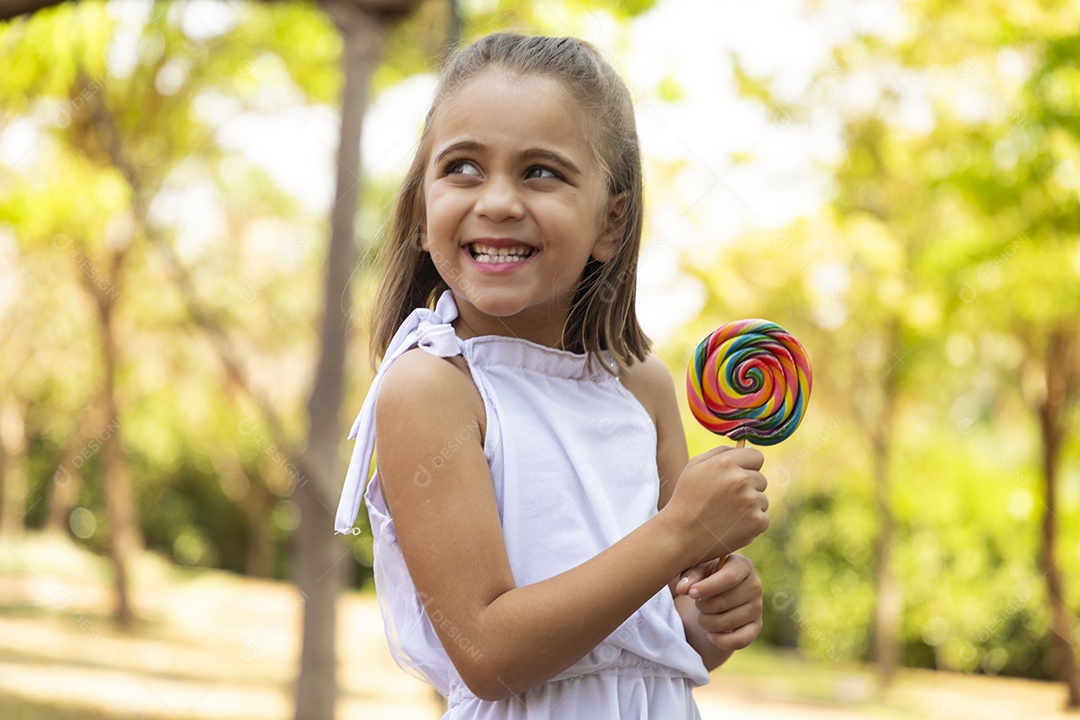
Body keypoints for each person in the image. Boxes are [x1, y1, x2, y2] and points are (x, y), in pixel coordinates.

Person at [334, 33, 770, 719]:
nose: (499, 200)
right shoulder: (433, 388)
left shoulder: (643, 388)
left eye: (541, 172)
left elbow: (646, 634)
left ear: (611, 221)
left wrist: (706, 621)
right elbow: (487, 653)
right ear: (422, 211)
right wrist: (678, 534)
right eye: (464, 168)